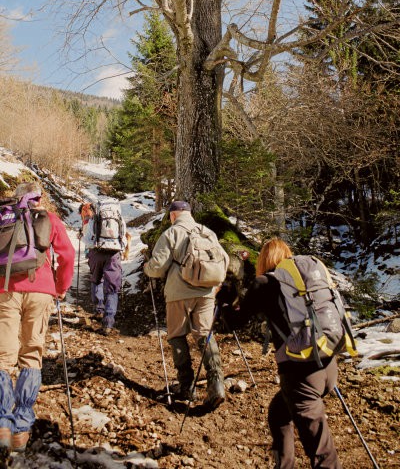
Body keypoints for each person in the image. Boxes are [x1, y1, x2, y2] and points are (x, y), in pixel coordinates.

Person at [220, 237, 342, 469]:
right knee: (279, 414)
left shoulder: (265, 283)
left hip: (300, 376)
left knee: (322, 453)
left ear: (264, 259)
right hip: (328, 366)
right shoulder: (302, 284)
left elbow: (235, 322)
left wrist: (225, 303)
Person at [0, 182, 74, 453]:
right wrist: (61, 287)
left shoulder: (3, 217)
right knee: (31, 355)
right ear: (39, 198)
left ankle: (2, 424)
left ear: (16, 198)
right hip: (41, 291)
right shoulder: (49, 218)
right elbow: (67, 255)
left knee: (2, 357)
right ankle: (21, 425)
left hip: (5, 291)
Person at [144, 200, 229, 409]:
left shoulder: (171, 234)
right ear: (190, 213)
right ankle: (216, 382)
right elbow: (224, 259)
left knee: (177, 335)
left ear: (173, 215)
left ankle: (186, 386)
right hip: (207, 292)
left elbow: (157, 268)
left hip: (178, 293)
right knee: (204, 334)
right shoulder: (207, 232)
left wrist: (147, 267)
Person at [83, 201, 127, 335]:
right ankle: (108, 322)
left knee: (96, 279)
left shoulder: (95, 218)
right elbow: (123, 238)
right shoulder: (119, 218)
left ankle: (99, 309)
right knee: (112, 287)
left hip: (97, 252)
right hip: (113, 254)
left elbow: (88, 239)